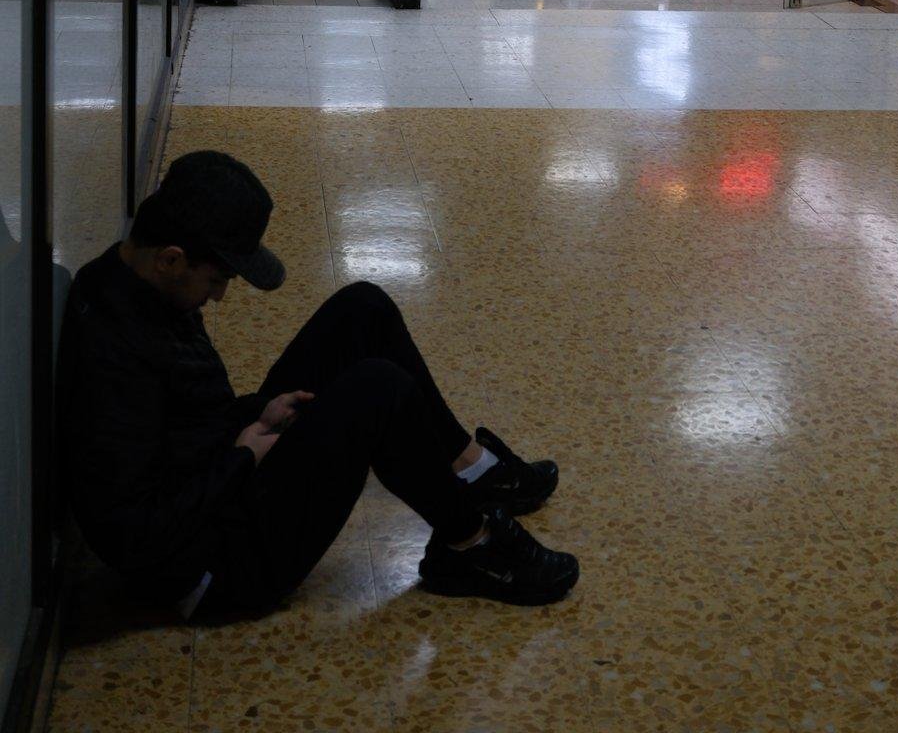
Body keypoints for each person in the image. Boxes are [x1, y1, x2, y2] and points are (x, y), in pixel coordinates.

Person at [55, 152, 578, 618]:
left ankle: (473, 470)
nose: (219, 298)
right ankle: (474, 546)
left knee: (362, 309)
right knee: (381, 390)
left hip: (220, 479)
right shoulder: (111, 358)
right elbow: (134, 535)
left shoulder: (137, 281)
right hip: (217, 567)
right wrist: (243, 456)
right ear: (171, 258)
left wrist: (255, 415)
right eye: (216, 281)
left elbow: (184, 424)